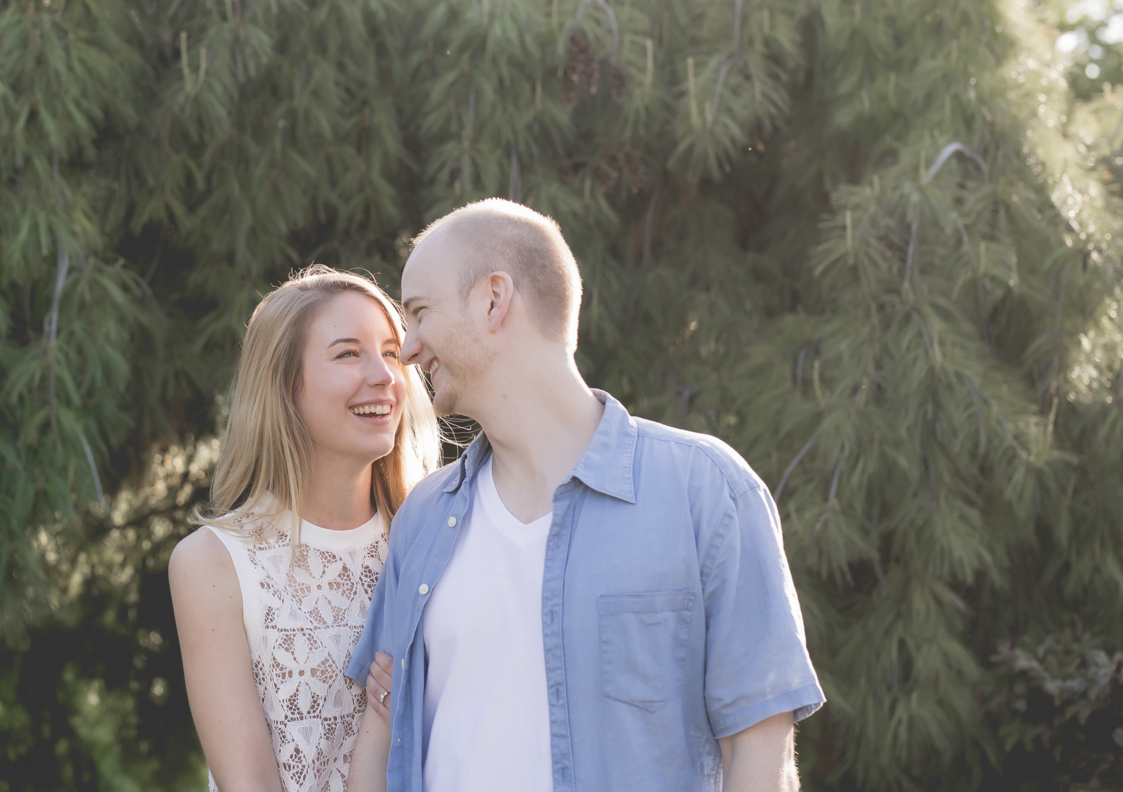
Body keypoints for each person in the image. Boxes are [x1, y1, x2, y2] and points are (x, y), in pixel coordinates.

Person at [345, 199, 825, 792]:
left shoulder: (707, 493)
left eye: (419, 313)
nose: (409, 348)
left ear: (494, 298)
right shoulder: (422, 516)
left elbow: (760, 751)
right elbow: (381, 737)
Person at [168, 266, 438, 792]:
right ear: (284, 386)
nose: (385, 376)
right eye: (347, 353)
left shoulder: (433, 538)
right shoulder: (213, 564)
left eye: (390, 351)